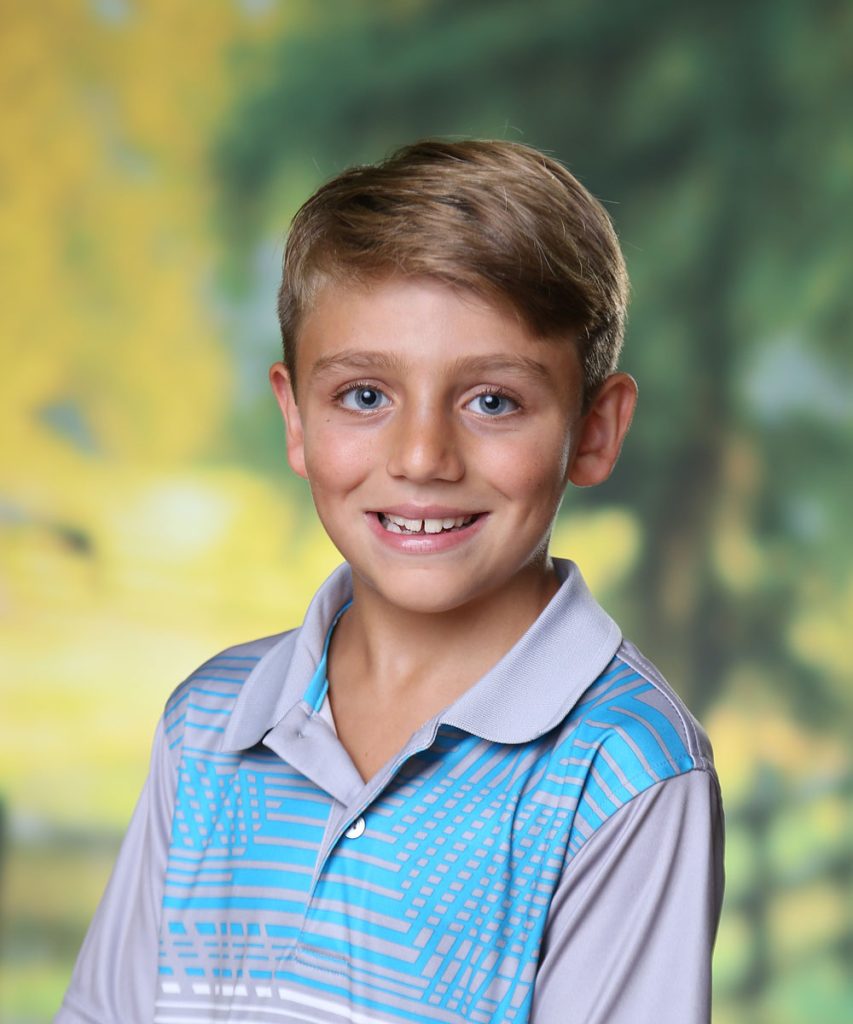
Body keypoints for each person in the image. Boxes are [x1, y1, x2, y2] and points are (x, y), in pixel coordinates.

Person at [56, 139, 724, 1024]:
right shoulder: (208, 723)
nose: (421, 457)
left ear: (594, 431)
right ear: (296, 419)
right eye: (365, 396)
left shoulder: (624, 772)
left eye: (492, 401)